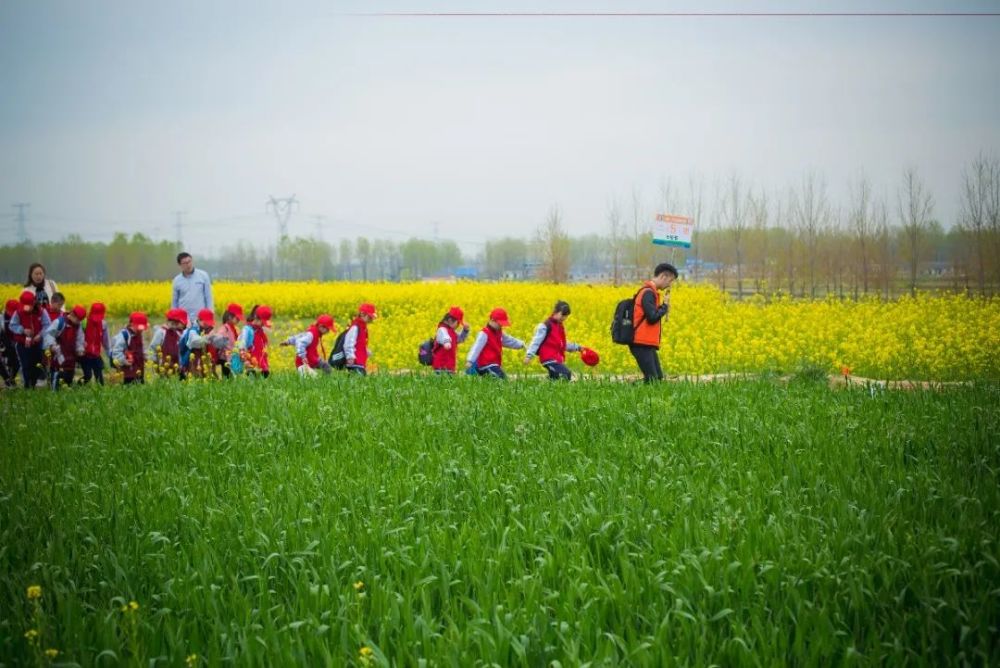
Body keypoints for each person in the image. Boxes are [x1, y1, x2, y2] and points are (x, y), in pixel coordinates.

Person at [629, 262, 678, 382]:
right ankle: (629, 392)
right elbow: (652, 317)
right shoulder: (648, 293)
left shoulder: (651, 292)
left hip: (646, 343)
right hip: (640, 342)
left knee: (658, 379)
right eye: (670, 281)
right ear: (663, 276)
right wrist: (664, 307)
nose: (669, 285)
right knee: (652, 380)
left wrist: (663, 307)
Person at [524, 300, 584, 381]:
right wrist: (529, 355)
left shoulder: (559, 327)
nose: (564, 318)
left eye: (566, 316)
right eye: (562, 315)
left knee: (556, 379)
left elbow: (562, 344)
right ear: (556, 312)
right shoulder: (545, 326)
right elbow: (536, 342)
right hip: (549, 359)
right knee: (566, 374)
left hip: (556, 359)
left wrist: (577, 347)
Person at [465, 308, 525, 379]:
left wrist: (521, 344)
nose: (501, 326)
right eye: (500, 324)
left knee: (502, 379)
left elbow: (509, 340)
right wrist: (470, 361)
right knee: (500, 380)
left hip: (494, 364)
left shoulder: (499, 332)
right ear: (492, 320)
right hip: (486, 365)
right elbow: (476, 347)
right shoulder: (484, 333)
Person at [8, 290, 52, 389]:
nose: (26, 309)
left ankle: (33, 382)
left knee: (37, 364)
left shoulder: (42, 311)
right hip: (22, 344)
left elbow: (47, 325)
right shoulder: (18, 312)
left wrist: (40, 335)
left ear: (34, 303)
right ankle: (27, 385)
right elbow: (12, 325)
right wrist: (22, 330)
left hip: (37, 344)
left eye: (29, 306)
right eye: (24, 306)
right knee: (26, 365)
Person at [43, 304, 86, 390]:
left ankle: (67, 392)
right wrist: (52, 345)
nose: (79, 322)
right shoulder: (59, 322)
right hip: (58, 354)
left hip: (71, 356)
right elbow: (49, 334)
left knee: (69, 376)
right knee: (57, 374)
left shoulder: (78, 325)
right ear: (73, 315)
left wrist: (80, 349)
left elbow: (79, 339)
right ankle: (54, 392)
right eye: (78, 320)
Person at [171, 252, 214, 325]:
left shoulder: (203, 276)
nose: (188, 265)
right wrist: (173, 318)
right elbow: (175, 301)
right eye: (185, 263)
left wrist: (209, 315)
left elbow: (208, 297)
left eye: (189, 261)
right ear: (180, 265)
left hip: (200, 319)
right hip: (183, 319)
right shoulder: (177, 280)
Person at [77, 302, 111, 385]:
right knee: (88, 376)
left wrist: (109, 353)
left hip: (96, 354)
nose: (96, 319)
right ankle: (78, 385)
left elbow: (106, 341)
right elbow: (78, 337)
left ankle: (101, 391)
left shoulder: (103, 324)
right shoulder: (84, 323)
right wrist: (80, 349)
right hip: (85, 354)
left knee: (99, 375)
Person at [111, 312, 149, 385]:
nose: (141, 330)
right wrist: (124, 361)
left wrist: (145, 356)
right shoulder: (124, 335)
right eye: (138, 328)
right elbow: (116, 351)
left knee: (140, 387)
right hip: (128, 369)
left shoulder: (139, 334)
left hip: (139, 368)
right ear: (131, 324)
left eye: (142, 328)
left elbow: (142, 347)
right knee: (129, 387)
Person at [148, 308, 187, 377]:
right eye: (180, 323)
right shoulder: (161, 332)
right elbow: (153, 349)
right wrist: (155, 365)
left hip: (177, 369)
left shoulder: (179, 333)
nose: (183, 326)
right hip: (163, 369)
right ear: (173, 322)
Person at [431, 306, 470, 374]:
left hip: (450, 367)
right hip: (440, 366)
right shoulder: (441, 329)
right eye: (457, 323)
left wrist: (465, 331)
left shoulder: (452, 332)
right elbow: (444, 336)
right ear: (450, 320)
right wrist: (447, 342)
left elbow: (460, 339)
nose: (458, 326)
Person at [209, 303, 243, 378]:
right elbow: (217, 343)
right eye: (237, 318)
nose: (239, 320)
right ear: (229, 317)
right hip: (225, 359)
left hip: (232, 358)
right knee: (228, 378)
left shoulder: (234, 328)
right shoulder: (224, 329)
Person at [179, 308, 215, 379]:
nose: (207, 325)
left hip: (202, 362)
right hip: (190, 362)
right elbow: (195, 341)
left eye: (209, 323)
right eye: (205, 323)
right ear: (199, 320)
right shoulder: (192, 330)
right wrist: (207, 338)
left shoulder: (207, 329)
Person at [238, 304, 273, 378]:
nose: (263, 325)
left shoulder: (260, 330)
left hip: (261, 364)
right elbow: (241, 345)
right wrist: (245, 360)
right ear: (256, 318)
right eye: (263, 322)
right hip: (250, 364)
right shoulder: (247, 330)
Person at [343, 303, 377, 375]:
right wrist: (350, 356)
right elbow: (348, 343)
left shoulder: (362, 327)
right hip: (355, 362)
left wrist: (366, 351)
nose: (371, 319)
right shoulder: (355, 327)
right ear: (362, 314)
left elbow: (359, 343)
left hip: (360, 362)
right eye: (369, 317)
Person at [1, 298, 20, 387]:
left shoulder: (19, 315)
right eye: (11, 312)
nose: (13, 314)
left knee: (16, 363)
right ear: (6, 309)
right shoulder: (1, 318)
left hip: (16, 341)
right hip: (4, 341)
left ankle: (11, 379)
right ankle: (7, 379)